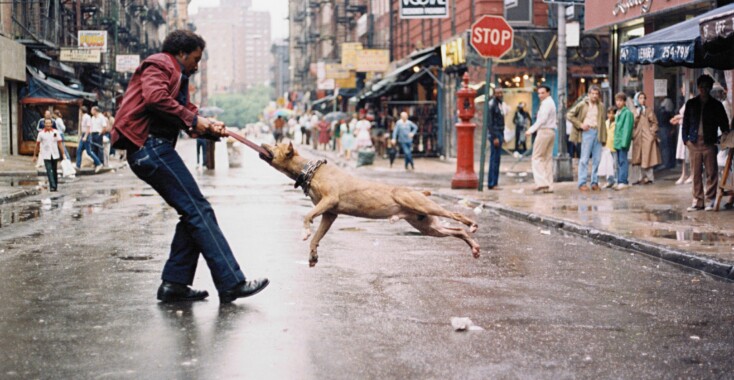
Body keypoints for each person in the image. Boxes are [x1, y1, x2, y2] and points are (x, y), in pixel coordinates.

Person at [110, 29, 269, 303]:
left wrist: (209, 127)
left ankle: (174, 284)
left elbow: (182, 111)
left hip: (154, 149)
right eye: (195, 59)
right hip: (149, 147)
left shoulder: (177, 76)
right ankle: (231, 282)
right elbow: (155, 98)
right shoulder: (160, 63)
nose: (197, 65)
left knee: (192, 213)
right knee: (199, 210)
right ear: (181, 53)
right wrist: (196, 122)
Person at [682, 74, 730, 211]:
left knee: (711, 172)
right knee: (696, 174)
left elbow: (724, 123)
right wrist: (686, 140)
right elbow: (685, 123)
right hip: (694, 143)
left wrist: (724, 138)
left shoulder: (716, 105)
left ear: (710, 88)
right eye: (701, 86)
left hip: (709, 143)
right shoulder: (691, 104)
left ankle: (710, 200)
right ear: (698, 87)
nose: (704, 89)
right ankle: (698, 201)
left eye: (706, 87)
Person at [567, 85, 607, 192]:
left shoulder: (601, 106)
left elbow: (603, 122)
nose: (594, 96)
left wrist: (604, 137)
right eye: (592, 93)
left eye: (596, 94)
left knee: (597, 159)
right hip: (587, 132)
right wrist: (580, 125)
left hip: (598, 132)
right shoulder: (582, 104)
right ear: (589, 94)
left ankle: (594, 182)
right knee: (584, 159)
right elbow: (569, 115)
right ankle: (582, 183)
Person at [525, 85, 556, 193]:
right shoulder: (551, 102)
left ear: (548, 93)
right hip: (551, 131)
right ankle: (549, 185)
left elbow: (542, 119)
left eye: (543, 93)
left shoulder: (546, 104)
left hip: (544, 131)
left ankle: (542, 183)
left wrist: (531, 130)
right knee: (547, 159)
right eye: (539, 93)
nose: (540, 95)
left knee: (537, 157)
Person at [630, 92, 661, 184]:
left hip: (647, 136)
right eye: (640, 98)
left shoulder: (648, 110)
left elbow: (655, 122)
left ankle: (649, 177)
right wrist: (637, 115)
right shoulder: (633, 111)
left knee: (648, 157)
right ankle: (639, 178)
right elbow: (632, 123)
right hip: (637, 136)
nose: (642, 100)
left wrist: (652, 132)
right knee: (638, 157)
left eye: (644, 98)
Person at [32, 118, 65, 192]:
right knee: (49, 170)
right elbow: (37, 145)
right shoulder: (41, 134)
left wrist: (63, 154)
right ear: (44, 124)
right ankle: (52, 186)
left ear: (51, 124)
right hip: (46, 155)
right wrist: (34, 155)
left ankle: (55, 185)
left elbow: (60, 143)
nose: (48, 125)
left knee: (54, 170)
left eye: (49, 123)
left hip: (55, 154)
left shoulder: (55, 132)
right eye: (46, 123)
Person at [613, 93, 634, 190]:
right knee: (618, 162)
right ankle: (619, 180)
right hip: (617, 141)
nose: (618, 102)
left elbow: (627, 129)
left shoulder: (627, 113)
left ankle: (623, 181)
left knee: (623, 161)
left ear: (624, 102)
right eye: (617, 100)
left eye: (620, 100)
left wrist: (624, 142)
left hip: (622, 141)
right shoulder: (618, 112)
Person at [486, 87, 505, 189]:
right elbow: (490, 123)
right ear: (494, 94)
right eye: (498, 93)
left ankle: (495, 183)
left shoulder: (499, 104)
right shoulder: (492, 104)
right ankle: (492, 183)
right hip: (495, 134)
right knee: (494, 160)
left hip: (500, 132)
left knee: (497, 159)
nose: (500, 94)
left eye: (501, 92)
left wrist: (503, 136)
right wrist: (494, 137)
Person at [75, 105, 103, 172]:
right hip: (84, 134)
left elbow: (88, 127)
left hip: (86, 135)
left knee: (89, 151)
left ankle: (99, 163)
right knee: (79, 150)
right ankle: (78, 166)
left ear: (81, 111)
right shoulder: (84, 117)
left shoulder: (87, 117)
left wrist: (85, 136)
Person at [598, 108, 617, 188]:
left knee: (615, 165)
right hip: (607, 147)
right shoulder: (605, 123)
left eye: (613, 113)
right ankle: (610, 181)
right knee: (608, 165)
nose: (611, 115)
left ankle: (616, 180)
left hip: (615, 146)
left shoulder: (617, 123)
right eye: (609, 113)